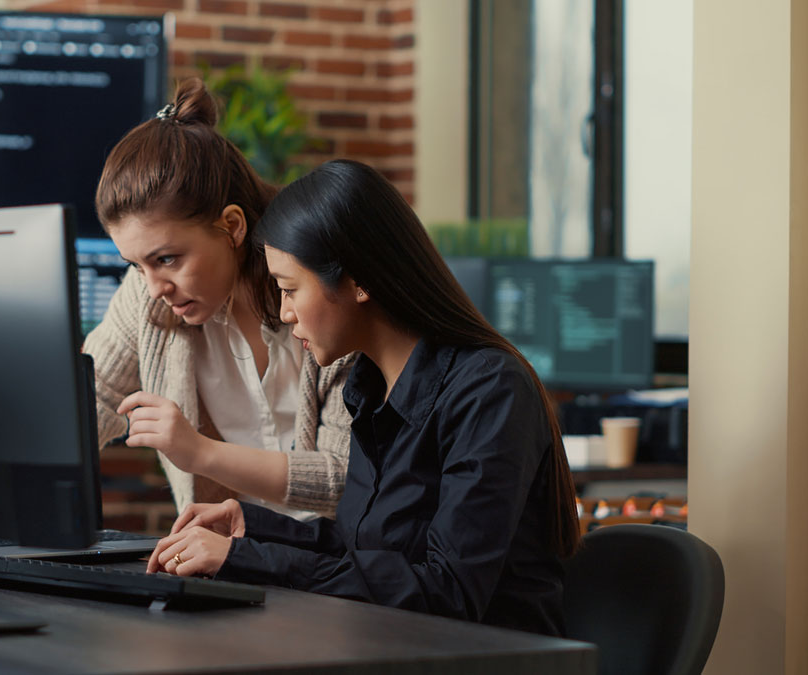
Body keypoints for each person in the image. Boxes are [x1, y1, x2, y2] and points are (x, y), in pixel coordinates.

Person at [146, 159, 581, 636]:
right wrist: (254, 528)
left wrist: (247, 560)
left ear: (359, 282)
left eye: (289, 289)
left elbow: (448, 592)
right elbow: (368, 549)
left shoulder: (489, 390)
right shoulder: (370, 386)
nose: (285, 313)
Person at [83, 78, 354, 520]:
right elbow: (90, 401)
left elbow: (345, 477)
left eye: (167, 258)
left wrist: (199, 452)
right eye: (136, 265)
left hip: (338, 570)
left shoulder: (323, 290)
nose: (154, 287)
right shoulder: (147, 297)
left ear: (232, 227)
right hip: (231, 565)